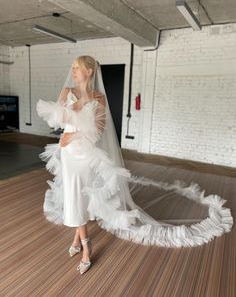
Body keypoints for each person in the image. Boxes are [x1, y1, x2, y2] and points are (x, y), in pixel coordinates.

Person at [36, 55, 233, 275]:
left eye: (77, 68)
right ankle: (80, 242)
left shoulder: (98, 98)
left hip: (85, 153)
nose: (73, 71)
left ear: (89, 71)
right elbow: (59, 119)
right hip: (68, 154)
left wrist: (75, 132)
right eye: (72, 67)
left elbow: (98, 130)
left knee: (82, 194)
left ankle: (84, 245)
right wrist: (72, 121)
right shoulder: (67, 92)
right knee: (74, 194)